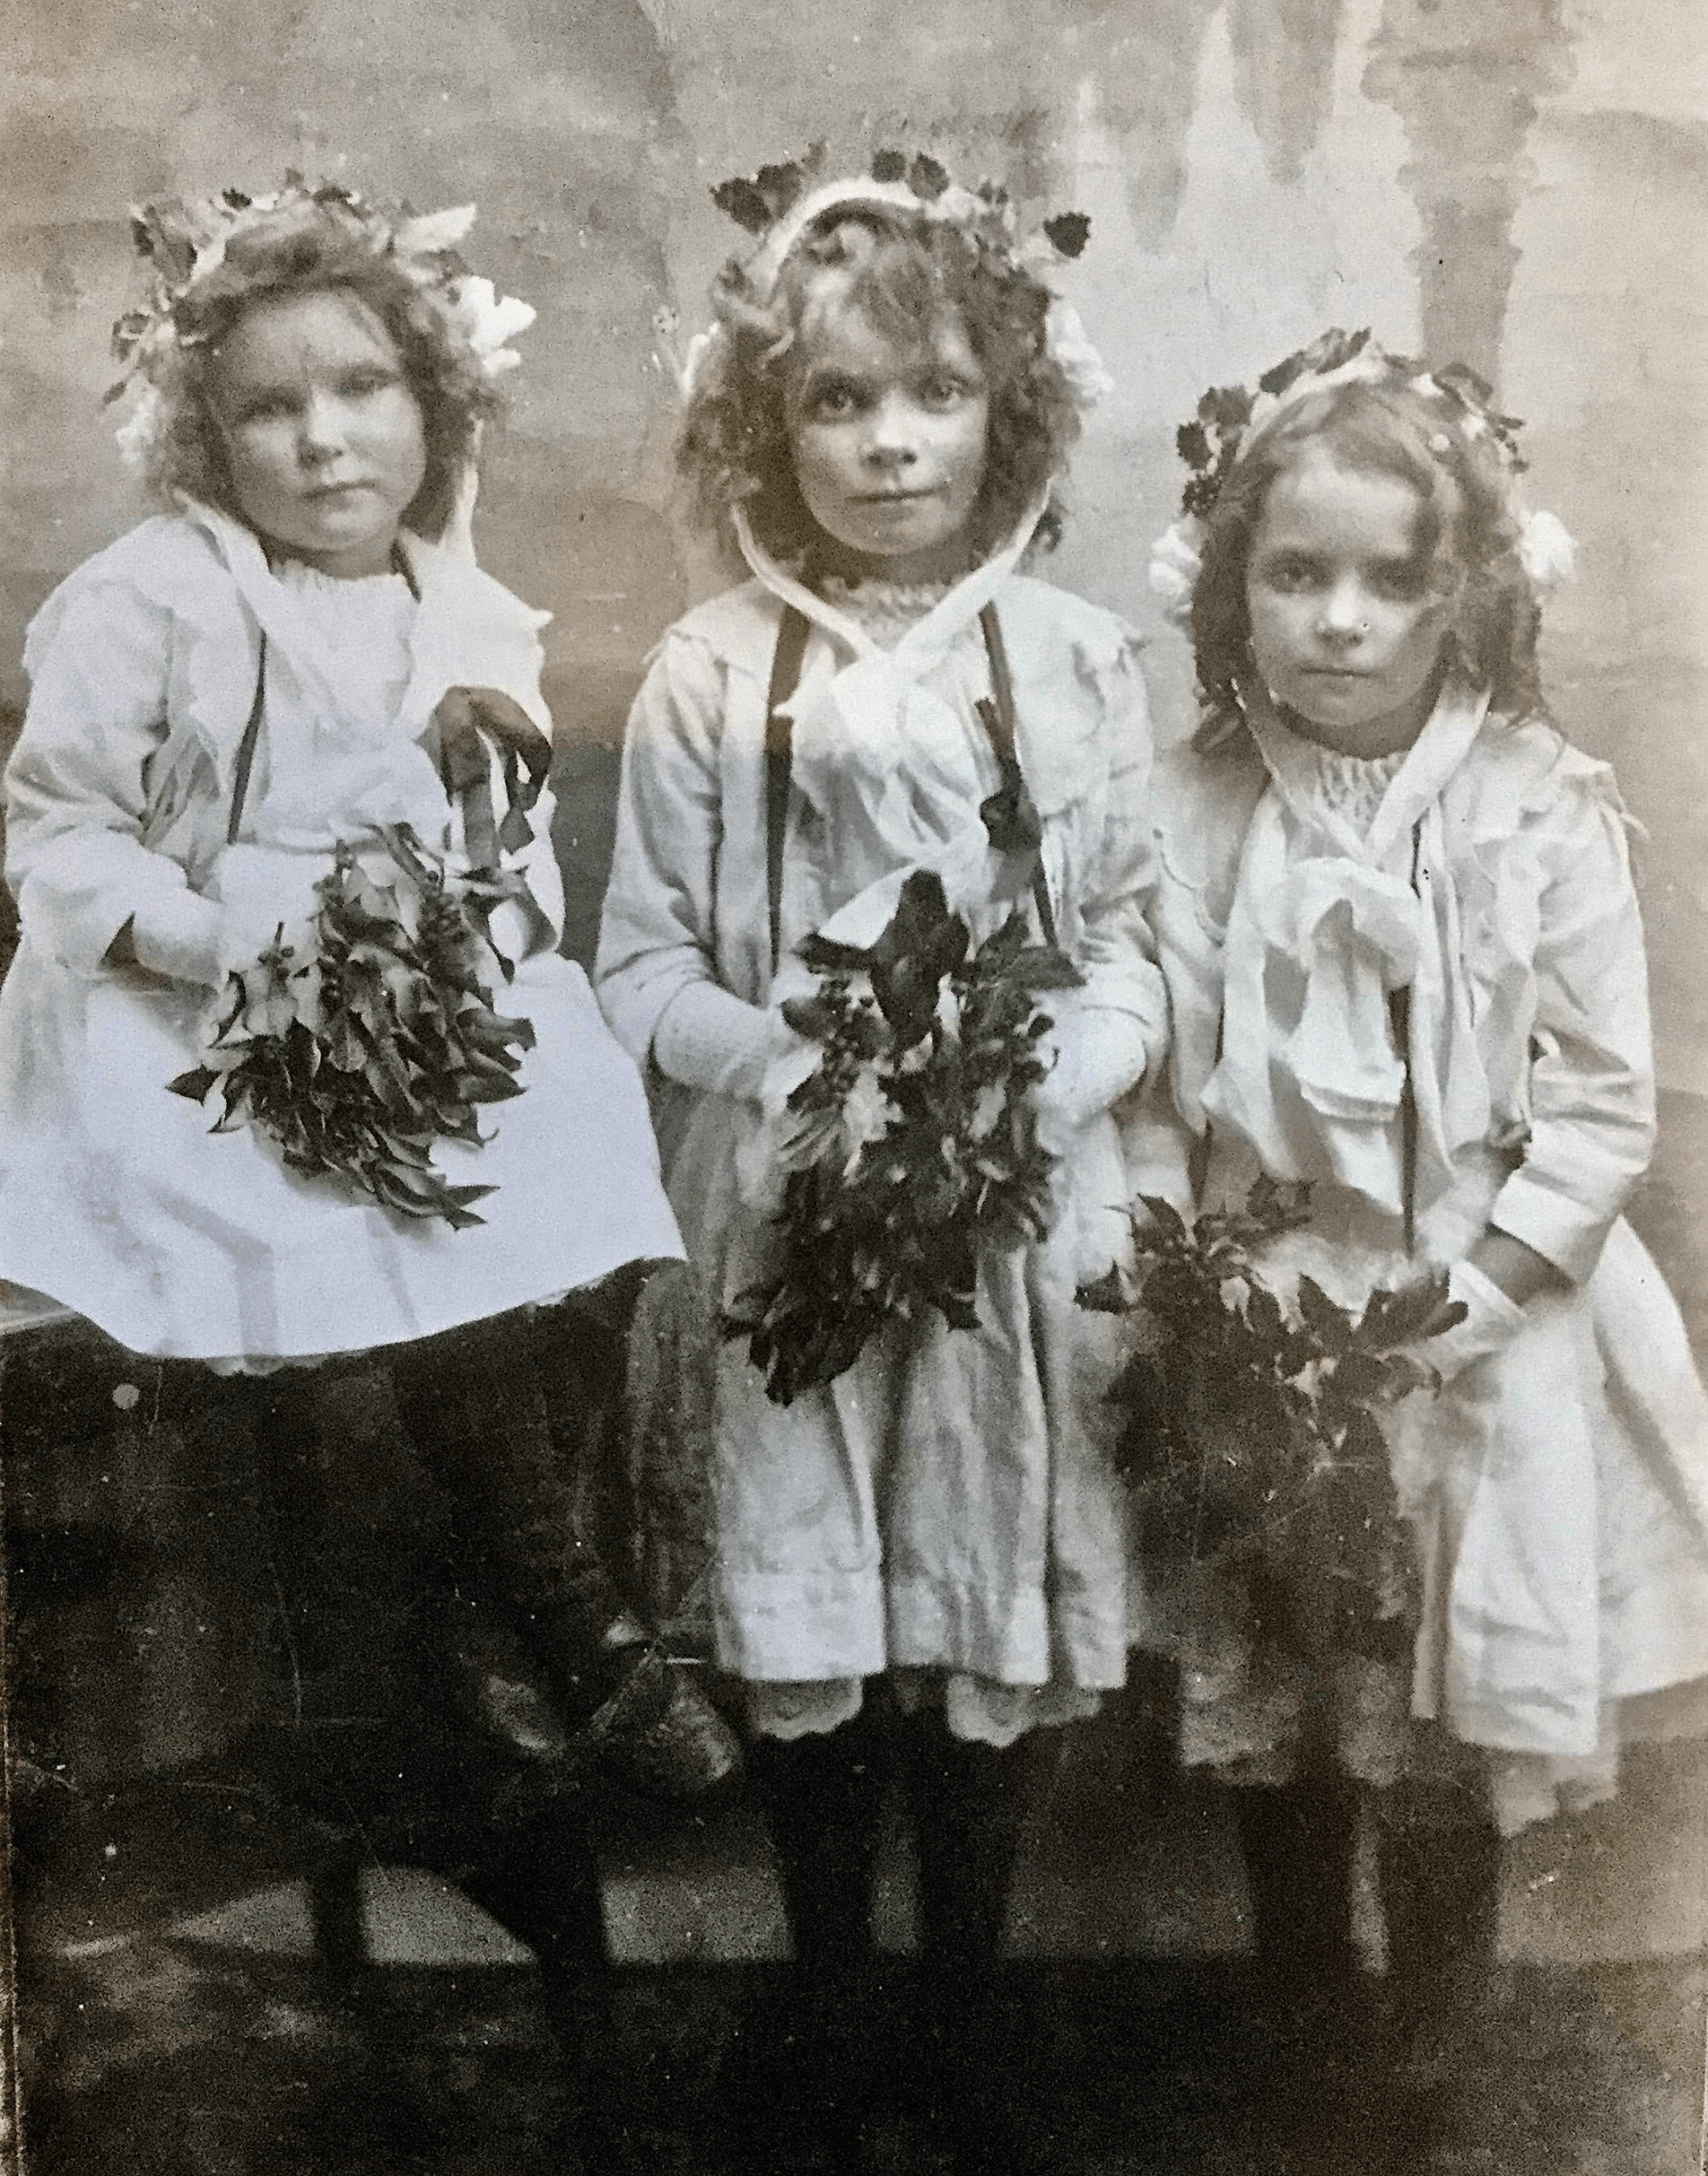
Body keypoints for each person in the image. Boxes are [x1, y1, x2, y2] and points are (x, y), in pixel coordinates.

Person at [0, 176, 737, 1801]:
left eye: (363, 390)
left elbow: (511, 869)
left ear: (437, 402)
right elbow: (57, 844)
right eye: (268, 409)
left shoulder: (464, 613)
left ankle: (485, 1583)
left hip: (382, 986)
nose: (325, 441)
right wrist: (227, 946)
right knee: (397, 1204)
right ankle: (570, 1615)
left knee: (583, 1117)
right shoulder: (154, 600)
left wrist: (461, 946)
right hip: (166, 1016)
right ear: (202, 436)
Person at [596, 151, 1165, 2170]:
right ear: (765, 425)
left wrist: (1029, 1087)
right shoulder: (709, 670)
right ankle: (832, 1982)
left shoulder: (1078, 664)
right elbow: (638, 963)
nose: (888, 438)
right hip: (786, 1207)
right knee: (814, 1589)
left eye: (928, 387)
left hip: (1011, 1210)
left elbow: (1134, 960)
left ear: (1007, 402)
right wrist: (791, 1068)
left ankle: (969, 1998)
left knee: (985, 1569)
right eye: (833, 401)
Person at [1135, 329, 1708, 2153]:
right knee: (1293, 1670)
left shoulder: (1540, 805)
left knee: (1449, 1701)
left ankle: (1438, 2044)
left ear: (1465, 591)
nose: (1342, 620)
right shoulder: (1198, 805)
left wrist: (1469, 1293)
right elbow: (1150, 1069)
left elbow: (1607, 1103)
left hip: (1481, 1310)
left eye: (1393, 577)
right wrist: (1194, 1279)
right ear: (1236, 586)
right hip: (1271, 1299)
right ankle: (1309, 2004)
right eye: (1296, 574)